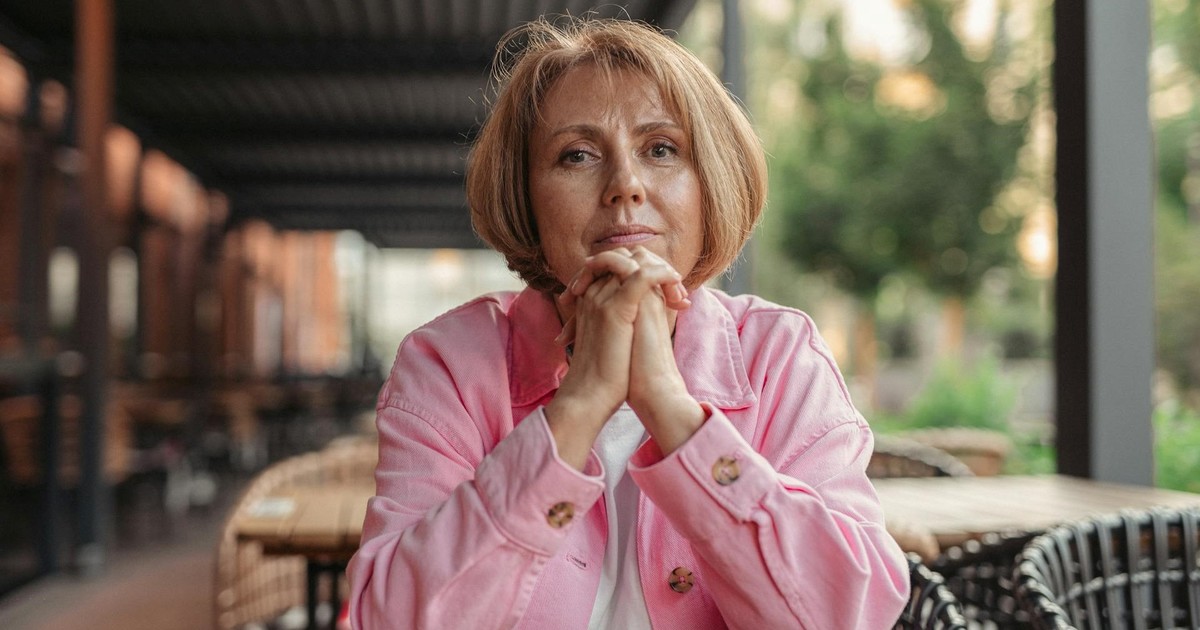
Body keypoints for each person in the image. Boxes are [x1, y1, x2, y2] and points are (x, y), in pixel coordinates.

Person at [346, 16, 909, 629]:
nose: (625, 187)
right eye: (577, 155)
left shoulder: (779, 354)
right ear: (525, 197)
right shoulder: (448, 364)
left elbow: (847, 616)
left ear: (709, 184)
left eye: (661, 149)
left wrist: (670, 408)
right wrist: (580, 405)